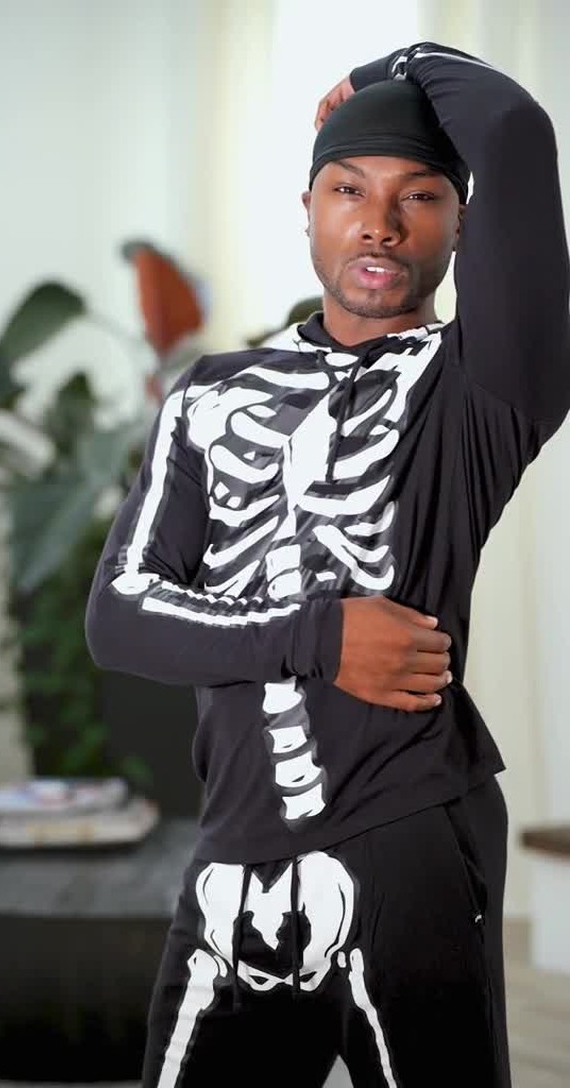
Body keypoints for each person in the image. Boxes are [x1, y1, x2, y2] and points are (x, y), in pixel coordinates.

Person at [85, 41, 570, 1088]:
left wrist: (405, 59)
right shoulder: (210, 392)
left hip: (410, 839)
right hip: (234, 846)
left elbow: (515, 132)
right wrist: (320, 634)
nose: (380, 222)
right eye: (349, 189)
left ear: (462, 225)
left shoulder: (482, 385)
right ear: (306, 208)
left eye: (421, 196)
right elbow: (119, 616)